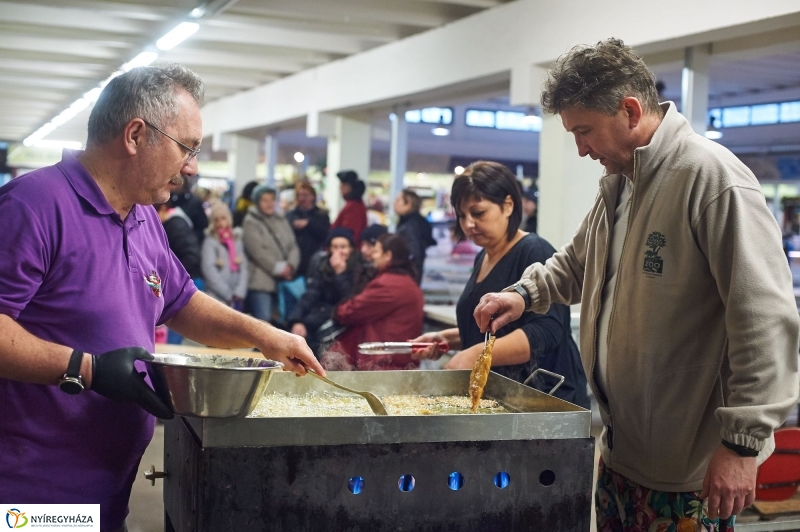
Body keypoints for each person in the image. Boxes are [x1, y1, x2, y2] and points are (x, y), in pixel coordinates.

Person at [473, 38, 799, 531]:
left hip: (686, 472)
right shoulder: (621, 183)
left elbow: (765, 319)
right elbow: (577, 263)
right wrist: (522, 295)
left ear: (629, 110)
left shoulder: (710, 178)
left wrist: (742, 444)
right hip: (621, 453)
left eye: (584, 131)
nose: (581, 149)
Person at [0, 64, 324, 531]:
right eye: (186, 147)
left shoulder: (142, 215)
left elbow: (182, 302)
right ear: (135, 135)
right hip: (32, 495)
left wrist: (264, 335)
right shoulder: (33, 206)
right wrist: (87, 369)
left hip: (106, 488)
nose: (191, 166)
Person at [411, 161, 588, 407]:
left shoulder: (534, 250)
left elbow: (546, 331)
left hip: (542, 398)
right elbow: (496, 329)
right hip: (503, 398)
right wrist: (446, 339)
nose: (469, 224)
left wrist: (475, 355)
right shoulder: (483, 256)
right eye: (462, 216)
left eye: (478, 213)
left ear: (508, 205)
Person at [331, 233, 424, 371]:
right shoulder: (407, 281)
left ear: (388, 255)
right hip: (398, 361)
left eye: (376, 251)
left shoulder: (388, 285)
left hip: (385, 364)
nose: (373, 256)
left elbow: (351, 312)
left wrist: (338, 310)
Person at [288, 228, 366, 355]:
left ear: (351, 248)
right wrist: (297, 320)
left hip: (342, 320)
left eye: (343, 247)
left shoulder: (359, 269)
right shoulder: (323, 266)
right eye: (335, 247)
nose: (339, 251)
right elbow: (310, 295)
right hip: (319, 315)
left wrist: (340, 274)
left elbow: (351, 299)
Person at [242, 184, 301, 324]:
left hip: (285, 281)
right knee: (264, 322)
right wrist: (279, 269)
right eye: (265, 200)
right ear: (257, 201)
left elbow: (293, 245)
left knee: (283, 322)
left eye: (272, 199)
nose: (269, 204)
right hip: (261, 281)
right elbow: (257, 252)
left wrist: (290, 266)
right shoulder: (250, 222)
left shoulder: (281, 219)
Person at [201, 201, 248, 310]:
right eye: (216, 220)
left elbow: (244, 268)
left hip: (237, 296)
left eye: (223, 218)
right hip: (216, 297)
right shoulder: (210, 242)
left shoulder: (236, 240)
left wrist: (239, 292)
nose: (220, 223)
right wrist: (228, 294)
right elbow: (209, 271)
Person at [286, 181, 330, 277]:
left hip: (314, 257)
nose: (302, 199)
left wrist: (309, 224)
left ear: (313, 196)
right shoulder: (290, 215)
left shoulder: (321, 215)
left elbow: (325, 234)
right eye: (299, 195)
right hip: (295, 258)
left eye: (305, 195)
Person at [394, 188, 437, 283]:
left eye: (398, 200)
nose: (394, 203)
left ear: (408, 204)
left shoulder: (410, 226)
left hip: (407, 277)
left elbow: (414, 254)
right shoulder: (415, 222)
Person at [330, 169, 367, 247]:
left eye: (342, 185)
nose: (340, 188)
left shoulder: (353, 206)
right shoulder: (355, 204)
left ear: (349, 187)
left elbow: (349, 234)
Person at [169, 174, 208, 246]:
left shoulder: (194, 202)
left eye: (178, 181)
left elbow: (202, 225)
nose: (176, 185)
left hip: (190, 243)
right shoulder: (167, 201)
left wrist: (192, 240)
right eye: (173, 182)